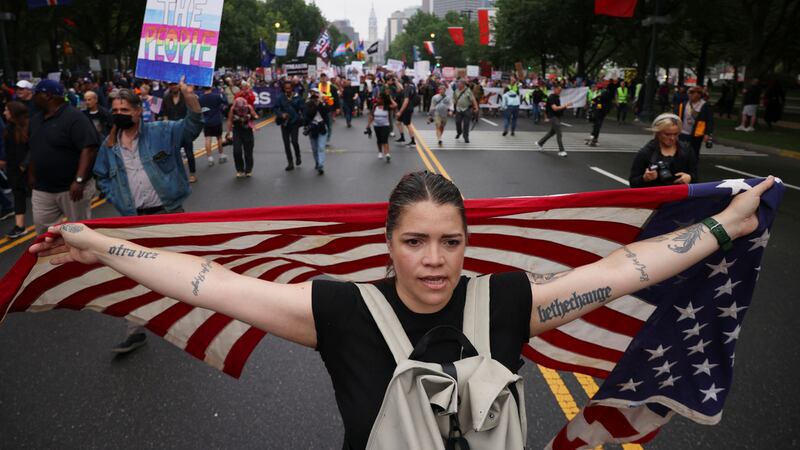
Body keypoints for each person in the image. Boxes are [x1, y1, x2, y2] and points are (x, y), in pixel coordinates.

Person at [31, 170, 774, 450]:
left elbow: (621, 272)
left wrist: (726, 226)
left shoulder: (510, 300)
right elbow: (206, 283)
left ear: (467, 244)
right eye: (415, 242)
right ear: (387, 247)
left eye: (451, 242)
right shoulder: (339, 313)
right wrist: (100, 243)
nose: (434, 259)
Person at [93, 83, 202, 353]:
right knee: (134, 276)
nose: (119, 113)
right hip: (132, 222)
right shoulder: (109, 146)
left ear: (139, 111)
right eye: (116, 109)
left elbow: (191, 127)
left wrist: (190, 98)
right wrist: (117, 199)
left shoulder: (161, 132)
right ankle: (135, 331)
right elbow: (102, 175)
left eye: (125, 109)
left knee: (180, 271)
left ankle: (192, 321)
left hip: (169, 216)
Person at [28, 80, 99, 235]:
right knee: (44, 233)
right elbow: (34, 148)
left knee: (79, 231)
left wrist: (79, 180)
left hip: (71, 189)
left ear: (47, 96)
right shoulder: (35, 120)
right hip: (43, 189)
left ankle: (79, 259)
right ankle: (51, 259)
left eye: (36, 94)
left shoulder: (75, 117)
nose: (33, 97)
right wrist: (32, 173)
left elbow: (89, 149)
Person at [629, 113, 697, 188]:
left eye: (676, 134)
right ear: (657, 133)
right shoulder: (646, 153)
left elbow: (696, 177)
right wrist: (645, 178)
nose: (672, 138)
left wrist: (690, 178)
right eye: (667, 134)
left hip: (680, 197)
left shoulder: (687, 150)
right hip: (655, 197)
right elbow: (633, 183)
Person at [2, 101, 30, 238]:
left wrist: (25, 164)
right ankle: (20, 226)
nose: (4, 112)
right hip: (13, 169)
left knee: (37, 197)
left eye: (7, 110)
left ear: (13, 112)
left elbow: (34, 147)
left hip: (28, 169)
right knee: (18, 196)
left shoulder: (28, 127)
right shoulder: (8, 128)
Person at [161, 83, 197, 183]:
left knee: (189, 152)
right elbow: (164, 113)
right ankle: (177, 174)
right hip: (172, 129)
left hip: (185, 128)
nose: (173, 86)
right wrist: (166, 125)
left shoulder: (185, 96)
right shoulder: (166, 97)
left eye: (175, 84)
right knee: (173, 153)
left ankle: (192, 174)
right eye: (171, 84)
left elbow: (193, 110)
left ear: (179, 85)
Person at [676, 86, 714, 161]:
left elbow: (710, 120)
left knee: (693, 151)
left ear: (699, 95)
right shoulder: (684, 104)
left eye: (692, 93)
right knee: (681, 150)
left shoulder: (705, 106)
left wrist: (707, 133)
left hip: (696, 133)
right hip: (683, 132)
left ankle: (692, 166)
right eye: (689, 93)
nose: (690, 95)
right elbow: (677, 116)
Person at [273, 80, 304, 171]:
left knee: (294, 141)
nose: (287, 90)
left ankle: (298, 156)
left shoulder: (297, 97)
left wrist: (304, 118)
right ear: (283, 88)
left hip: (294, 122)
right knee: (286, 144)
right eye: (286, 88)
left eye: (289, 88)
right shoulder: (280, 97)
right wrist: (281, 114)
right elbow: (275, 108)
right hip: (285, 123)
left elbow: (303, 109)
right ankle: (290, 162)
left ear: (292, 88)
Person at [226, 97, 258, 178]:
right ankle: (240, 170)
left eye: (242, 109)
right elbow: (229, 120)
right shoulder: (232, 109)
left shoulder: (249, 107)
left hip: (247, 130)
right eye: (239, 109)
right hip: (237, 131)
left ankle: (248, 170)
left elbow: (256, 116)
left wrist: (250, 116)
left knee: (248, 152)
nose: (240, 110)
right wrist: (228, 133)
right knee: (237, 151)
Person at [536, 85, 571, 157]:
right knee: (559, 133)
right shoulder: (551, 97)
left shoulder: (557, 97)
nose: (560, 91)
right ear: (554, 89)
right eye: (558, 90)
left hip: (557, 117)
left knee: (551, 133)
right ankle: (561, 150)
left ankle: (540, 143)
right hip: (553, 117)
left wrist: (565, 107)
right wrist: (565, 105)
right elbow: (554, 108)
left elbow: (558, 109)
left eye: (560, 90)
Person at [198, 85, 228, 168]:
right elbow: (225, 102)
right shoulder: (216, 96)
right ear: (211, 88)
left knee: (208, 138)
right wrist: (223, 93)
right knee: (219, 138)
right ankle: (221, 155)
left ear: (203, 88)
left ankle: (210, 158)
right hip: (216, 120)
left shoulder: (200, 98)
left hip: (206, 121)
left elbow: (198, 109)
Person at [303, 88, 330, 175]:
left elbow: (327, 111)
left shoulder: (322, 103)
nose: (315, 96)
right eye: (313, 94)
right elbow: (308, 115)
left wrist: (321, 102)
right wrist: (315, 105)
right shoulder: (308, 104)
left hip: (322, 127)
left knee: (321, 147)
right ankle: (317, 162)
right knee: (315, 149)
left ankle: (321, 165)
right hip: (312, 128)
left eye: (316, 94)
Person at [366, 94, 392, 162]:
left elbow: (395, 105)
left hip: (385, 125)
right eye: (377, 98)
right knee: (379, 140)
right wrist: (368, 124)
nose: (377, 100)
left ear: (383, 100)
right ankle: (380, 152)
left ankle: (387, 154)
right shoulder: (375, 106)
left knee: (384, 139)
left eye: (379, 98)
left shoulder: (387, 106)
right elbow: (371, 116)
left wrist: (390, 99)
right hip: (376, 125)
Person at [394, 75, 417, 147]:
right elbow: (400, 90)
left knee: (408, 124)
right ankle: (402, 137)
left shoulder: (407, 88)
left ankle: (413, 141)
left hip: (406, 108)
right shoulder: (412, 86)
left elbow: (406, 101)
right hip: (407, 107)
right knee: (398, 122)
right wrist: (396, 82)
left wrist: (400, 111)